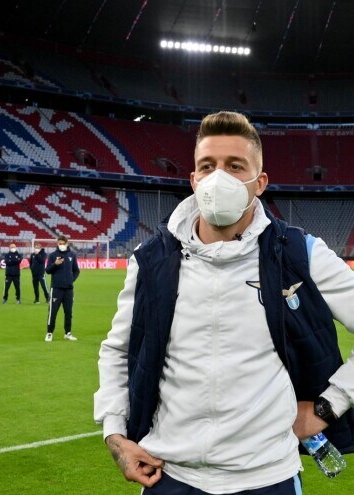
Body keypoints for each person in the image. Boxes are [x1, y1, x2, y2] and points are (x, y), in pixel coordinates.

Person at [94, 111, 354, 494]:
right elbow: (117, 350)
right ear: (194, 180)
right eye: (207, 166)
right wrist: (115, 434)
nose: (219, 178)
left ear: (259, 182)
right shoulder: (151, 260)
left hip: (267, 476)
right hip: (170, 475)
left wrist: (329, 405)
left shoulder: (301, 254)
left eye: (235, 166)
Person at [45, 236, 80, 342]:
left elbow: (76, 271)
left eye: (62, 243)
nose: (61, 245)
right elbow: (47, 270)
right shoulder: (52, 255)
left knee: (68, 312)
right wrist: (55, 264)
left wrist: (71, 280)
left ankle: (68, 333)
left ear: (66, 243)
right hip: (56, 288)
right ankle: (49, 333)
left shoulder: (72, 255)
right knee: (53, 312)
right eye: (59, 243)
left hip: (68, 289)